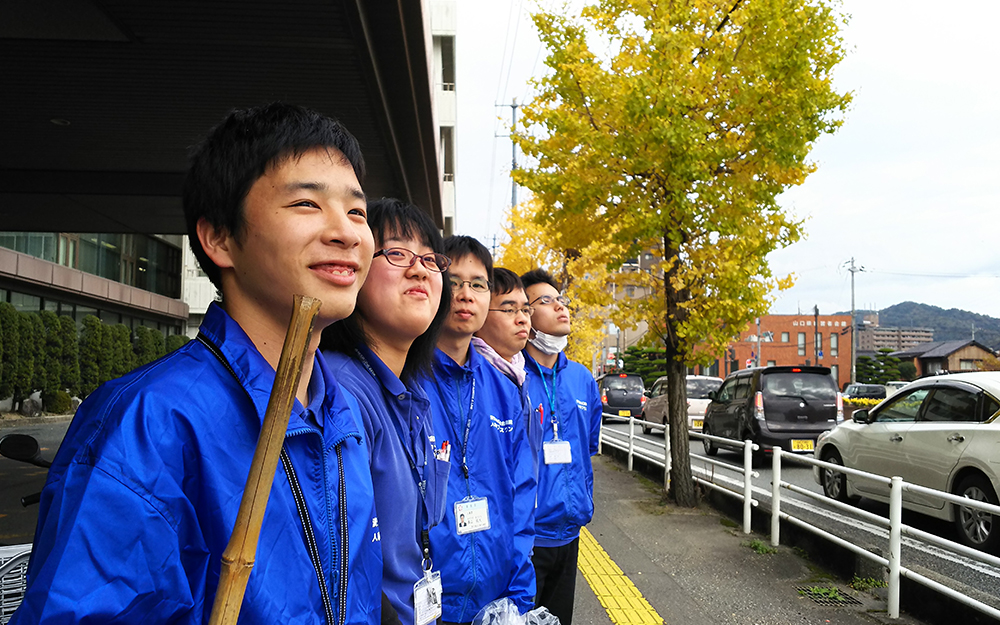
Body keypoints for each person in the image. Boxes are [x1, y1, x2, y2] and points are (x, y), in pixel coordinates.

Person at [12, 103, 383, 624]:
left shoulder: (340, 413)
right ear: (220, 239)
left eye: (357, 212)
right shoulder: (149, 422)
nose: (345, 232)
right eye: (306, 203)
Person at [321, 198, 451, 625]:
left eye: (431, 259)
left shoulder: (411, 392)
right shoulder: (341, 391)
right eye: (397, 253)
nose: (420, 270)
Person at [421, 236, 536, 624]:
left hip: (495, 597)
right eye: (453, 281)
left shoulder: (505, 389)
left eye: (478, 284)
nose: (465, 295)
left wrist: (519, 594)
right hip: (426, 604)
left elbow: (521, 496)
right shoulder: (407, 381)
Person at [520, 268, 602, 625]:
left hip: (570, 531)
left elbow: (587, 451)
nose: (560, 307)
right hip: (526, 539)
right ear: (525, 314)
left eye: (562, 300)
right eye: (546, 301)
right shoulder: (512, 376)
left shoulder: (582, 378)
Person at [472, 268, 542, 478]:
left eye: (526, 310)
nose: (522, 319)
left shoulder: (520, 375)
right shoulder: (469, 379)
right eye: (509, 310)